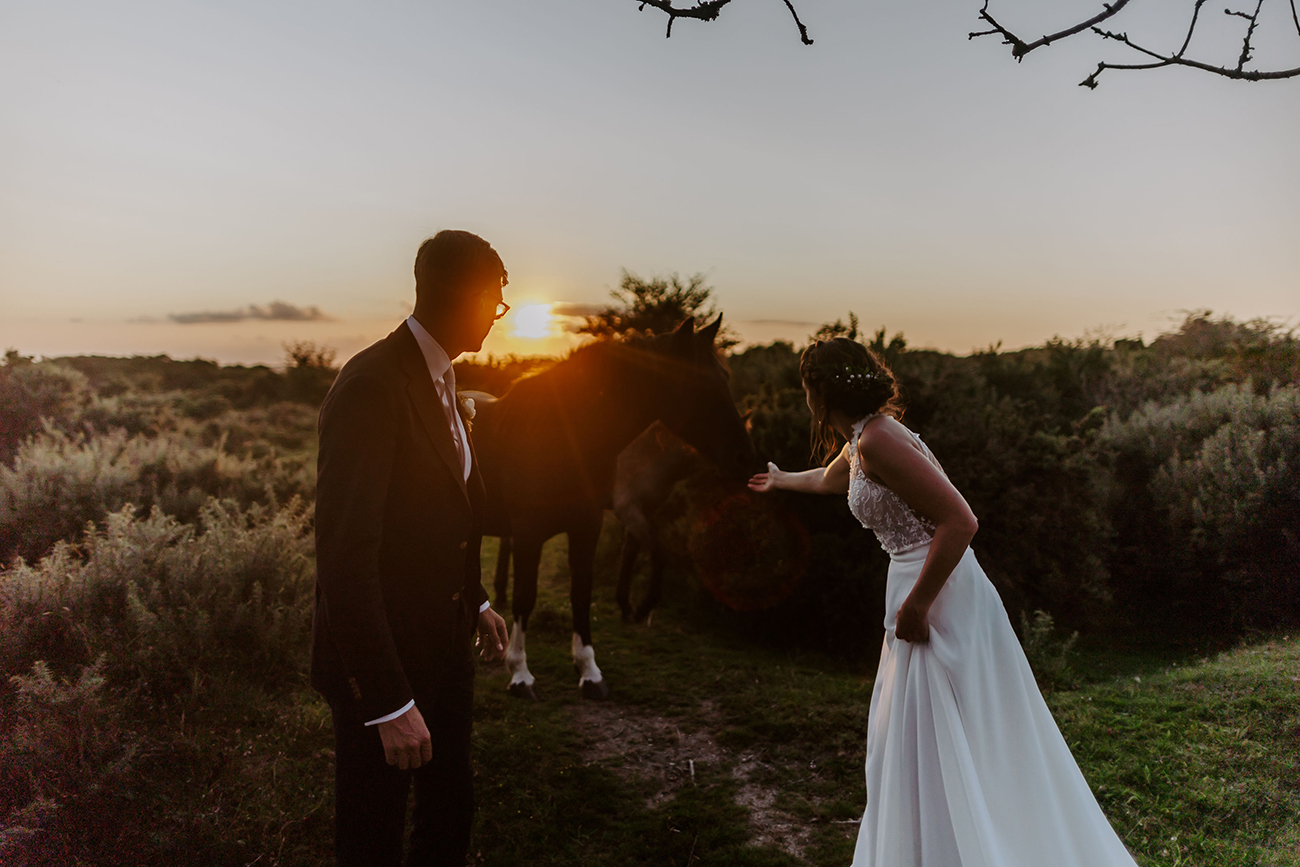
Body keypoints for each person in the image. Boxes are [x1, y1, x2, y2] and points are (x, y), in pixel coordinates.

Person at [748, 337, 1137, 867]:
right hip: (915, 586)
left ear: (819, 392)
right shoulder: (861, 439)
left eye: (805, 387)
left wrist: (917, 605)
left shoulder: (878, 440)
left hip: (938, 593)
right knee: (917, 737)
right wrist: (780, 480)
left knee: (947, 731)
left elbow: (961, 521)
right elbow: (827, 480)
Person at [311, 229, 512, 867]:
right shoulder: (371, 385)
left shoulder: (444, 376)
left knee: (449, 816)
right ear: (465, 297)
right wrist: (387, 700)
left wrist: (476, 599)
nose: (498, 316)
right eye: (495, 301)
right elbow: (344, 556)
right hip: (384, 663)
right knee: (372, 836)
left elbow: (439, 515)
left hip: (445, 650)